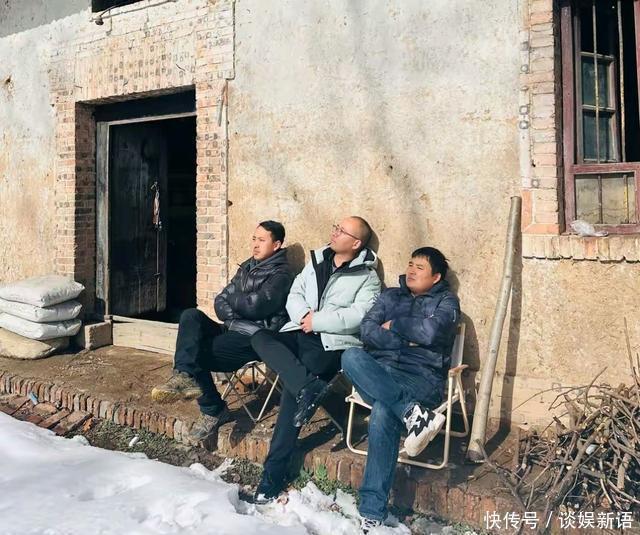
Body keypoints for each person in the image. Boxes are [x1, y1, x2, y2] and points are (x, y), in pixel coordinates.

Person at [250, 216, 381, 503]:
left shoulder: (367, 277)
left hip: (330, 344)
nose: (334, 233)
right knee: (260, 338)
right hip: (299, 330)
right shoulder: (317, 261)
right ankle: (309, 387)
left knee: (291, 393)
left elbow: (360, 316)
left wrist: (317, 321)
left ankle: (272, 475)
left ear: (356, 243)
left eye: (342, 231)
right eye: (336, 227)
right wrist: (303, 317)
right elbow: (295, 293)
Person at [340, 247, 460, 533]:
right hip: (379, 372)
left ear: (436, 277)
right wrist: (407, 341)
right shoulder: (390, 296)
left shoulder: (447, 302)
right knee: (350, 356)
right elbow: (367, 330)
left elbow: (432, 332)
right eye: (410, 264)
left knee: (383, 410)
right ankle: (412, 413)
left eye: (420, 267)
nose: (411, 270)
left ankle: (372, 511)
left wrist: (394, 324)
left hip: (421, 377)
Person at [151, 220, 293, 442]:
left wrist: (235, 302)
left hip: (255, 336)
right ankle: (183, 376)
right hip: (231, 327)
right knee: (190, 316)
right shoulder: (246, 267)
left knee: (196, 352)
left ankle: (213, 410)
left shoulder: (281, 275)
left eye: (261, 240)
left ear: (276, 245)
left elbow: (257, 306)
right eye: (253, 239)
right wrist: (240, 304)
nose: (255, 244)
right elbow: (220, 302)